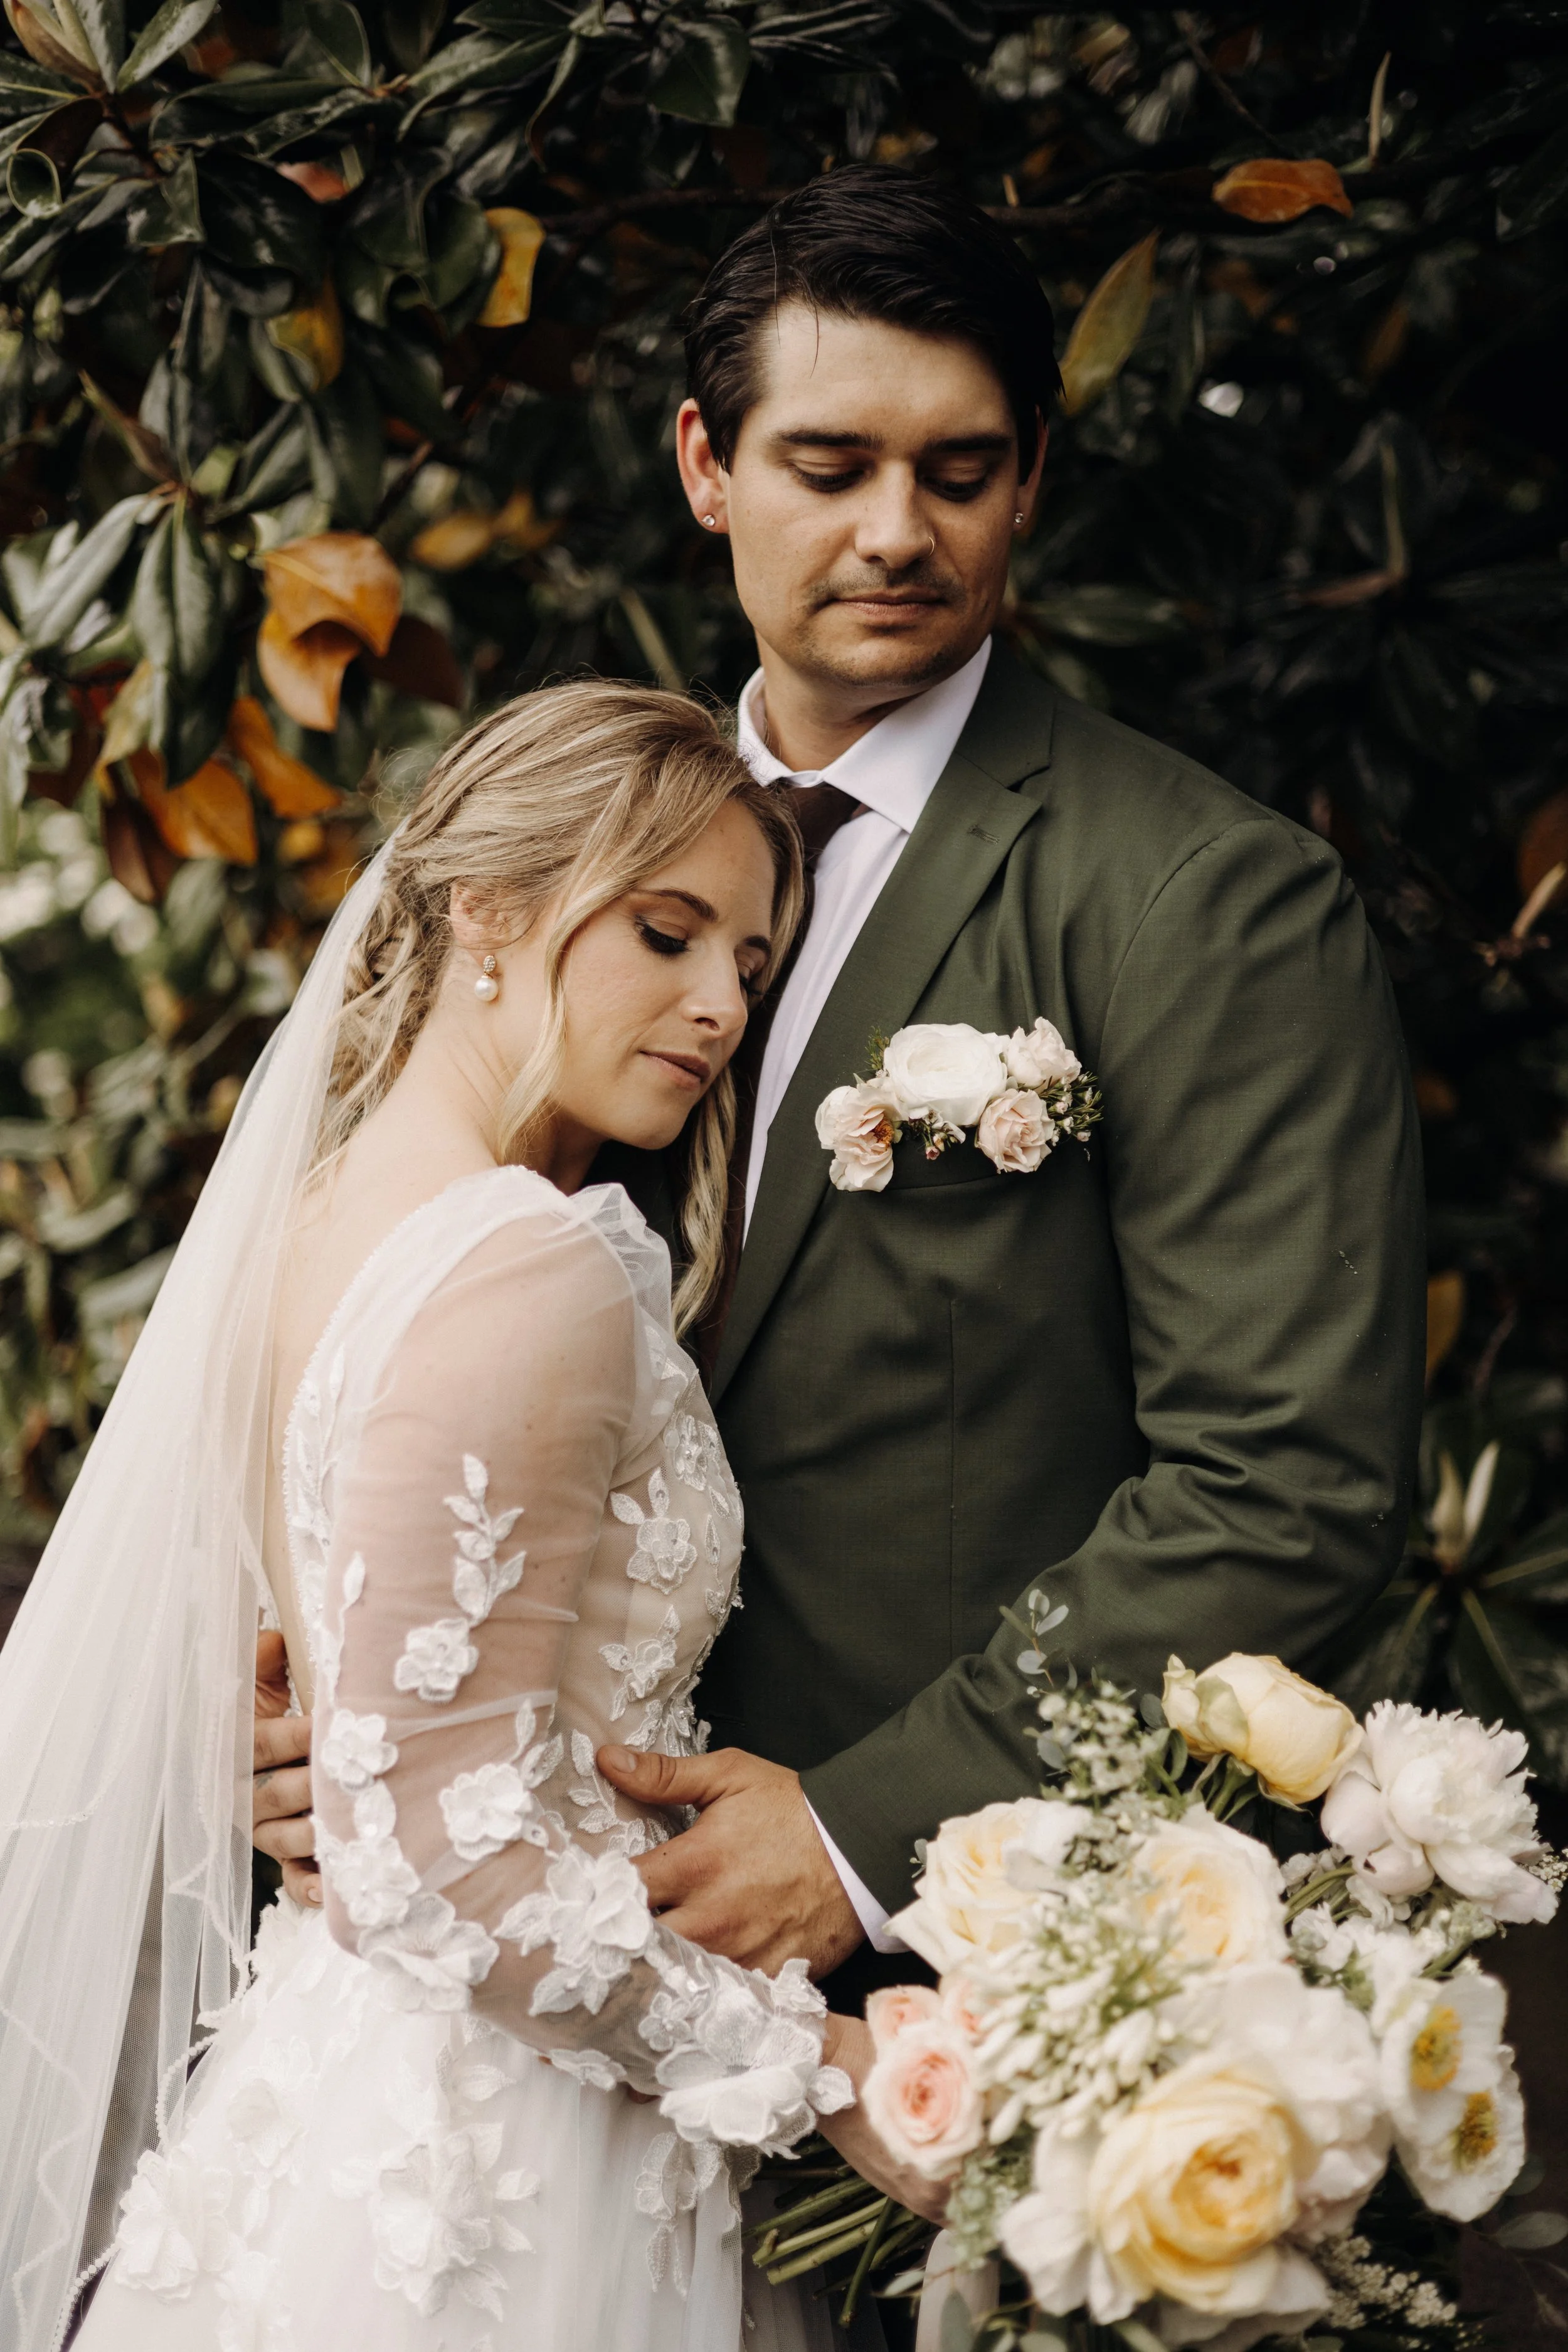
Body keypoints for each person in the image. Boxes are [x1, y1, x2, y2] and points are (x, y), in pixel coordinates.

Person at [250, 164, 1424, 2334]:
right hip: (527, 1998)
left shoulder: (1198, 900)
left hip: (943, 1989)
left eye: (957, 472)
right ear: (706, 465)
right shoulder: (556, 860)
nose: (896, 528)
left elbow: (1285, 1480)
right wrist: (335, 1707)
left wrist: (868, 1831)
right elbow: (385, 1323)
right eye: (828, 463)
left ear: (1028, 481)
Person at [0, 681, 886, 2351]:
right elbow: (429, 1862)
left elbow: (342, 1727)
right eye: (666, 934)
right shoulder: (526, 1260)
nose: (718, 1004)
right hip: (510, 2129)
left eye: (751, 965)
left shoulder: (315, 1223)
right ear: (484, 906)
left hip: (359, 2067)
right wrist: (826, 2066)